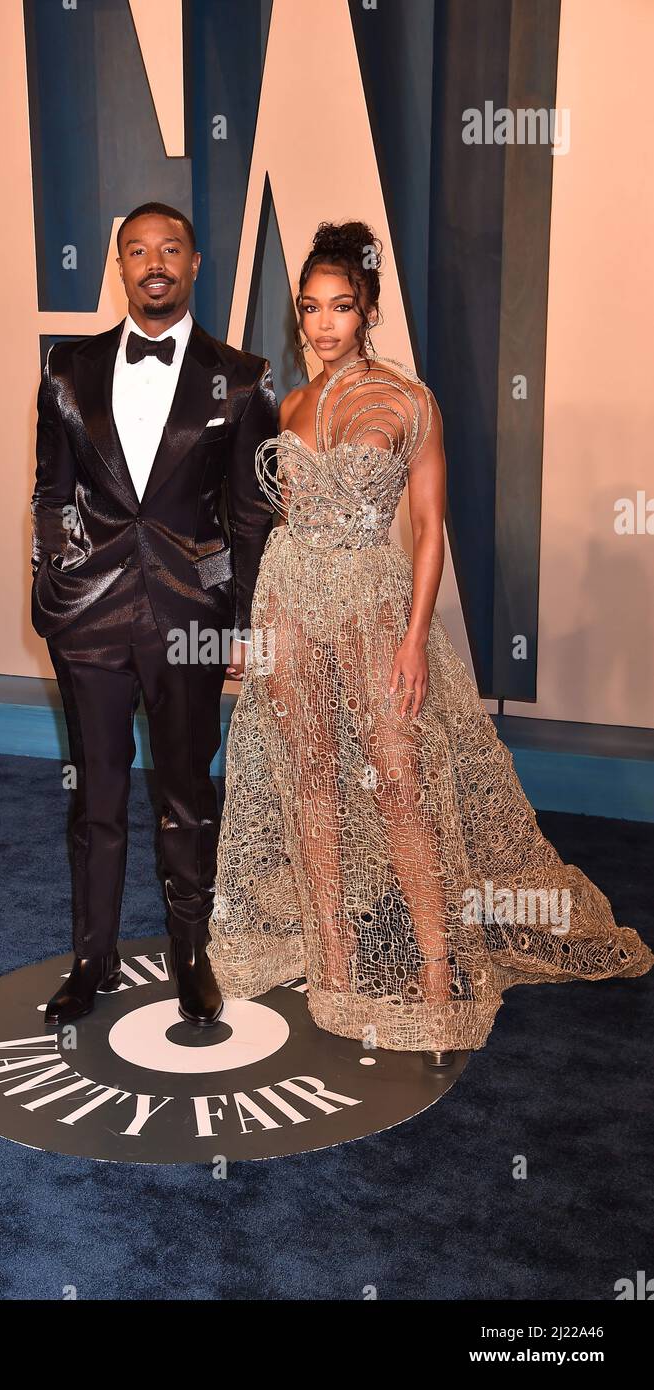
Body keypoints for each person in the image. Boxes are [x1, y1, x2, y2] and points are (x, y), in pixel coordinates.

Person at [207, 220, 653, 1066]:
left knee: (400, 778)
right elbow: (273, 524)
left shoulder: (409, 400)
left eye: (340, 306)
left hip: (375, 609)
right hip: (291, 604)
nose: (323, 323)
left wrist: (415, 639)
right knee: (310, 779)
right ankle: (333, 960)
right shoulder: (288, 403)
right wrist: (253, 629)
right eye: (310, 308)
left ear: (367, 307)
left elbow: (427, 528)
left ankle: (441, 963)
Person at [31, 202, 278, 1029]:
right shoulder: (67, 368)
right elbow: (50, 493)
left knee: (185, 794)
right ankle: (90, 960)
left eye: (169, 248)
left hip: (189, 617)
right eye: (137, 251)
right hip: (88, 619)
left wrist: (241, 622)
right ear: (120, 268)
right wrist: (57, 580)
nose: (154, 263)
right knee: (94, 796)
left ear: (196, 262)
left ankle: (192, 955)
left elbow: (250, 514)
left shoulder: (241, 377)